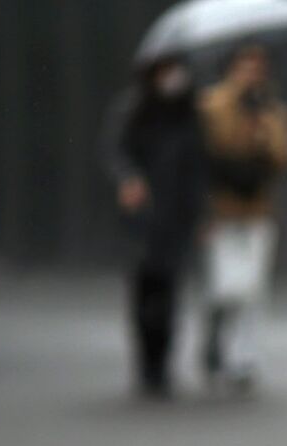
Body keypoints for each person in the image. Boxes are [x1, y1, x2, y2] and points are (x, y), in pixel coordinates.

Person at [101, 54, 204, 398]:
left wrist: (201, 214)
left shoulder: (190, 113)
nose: (172, 77)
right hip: (142, 217)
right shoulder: (133, 110)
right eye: (165, 70)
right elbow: (115, 153)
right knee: (145, 290)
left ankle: (162, 364)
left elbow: (198, 168)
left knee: (170, 291)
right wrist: (128, 180)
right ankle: (146, 362)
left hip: (176, 216)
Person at [199, 43, 287, 393]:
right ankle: (217, 334)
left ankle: (244, 360)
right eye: (245, 66)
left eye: (258, 68)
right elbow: (209, 150)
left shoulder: (271, 108)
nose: (252, 74)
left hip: (258, 207)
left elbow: (285, 156)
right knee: (228, 287)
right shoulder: (212, 104)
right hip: (221, 208)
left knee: (254, 288)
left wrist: (263, 127)